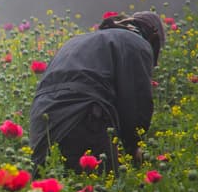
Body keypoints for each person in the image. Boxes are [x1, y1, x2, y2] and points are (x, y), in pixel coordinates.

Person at [28, 11, 164, 173]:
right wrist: (133, 146)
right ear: (153, 39)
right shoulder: (136, 43)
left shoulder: (75, 41)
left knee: (47, 184)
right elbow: (135, 103)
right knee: (98, 188)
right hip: (85, 116)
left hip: (41, 119)